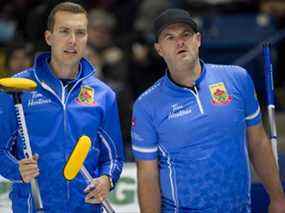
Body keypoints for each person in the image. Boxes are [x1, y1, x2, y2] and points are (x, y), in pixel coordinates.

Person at [131, 8, 285, 212]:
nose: (180, 42)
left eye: (186, 35)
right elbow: (147, 175)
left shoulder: (237, 79)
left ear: (198, 40)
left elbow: (257, 141)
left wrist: (277, 197)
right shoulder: (146, 105)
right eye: (170, 37)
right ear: (159, 49)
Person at [0, 2, 124, 212]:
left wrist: (106, 180)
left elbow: (113, 157)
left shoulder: (104, 95)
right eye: (64, 31)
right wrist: (17, 169)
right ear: (49, 37)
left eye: (80, 33)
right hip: (33, 207)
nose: (72, 41)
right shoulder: (17, 89)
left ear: (87, 38)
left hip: (85, 207)